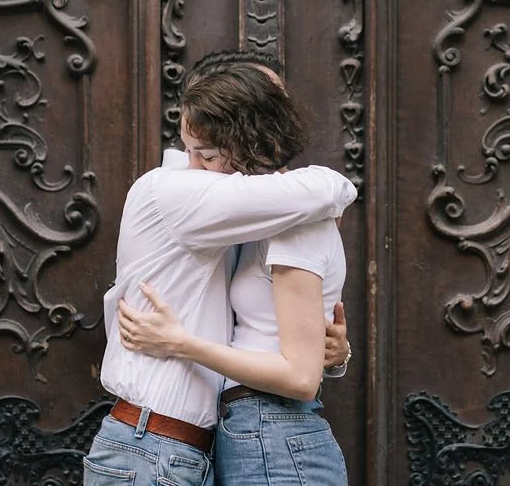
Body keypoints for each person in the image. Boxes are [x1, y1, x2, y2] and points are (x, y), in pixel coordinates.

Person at [83, 62, 357, 486]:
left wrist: (334, 353)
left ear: (246, 135)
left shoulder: (255, 219)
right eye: (190, 149)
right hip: (151, 446)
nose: (194, 164)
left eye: (207, 154)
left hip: (194, 449)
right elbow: (328, 189)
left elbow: (278, 344)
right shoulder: (180, 191)